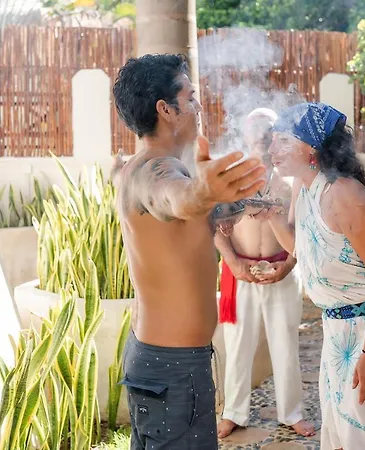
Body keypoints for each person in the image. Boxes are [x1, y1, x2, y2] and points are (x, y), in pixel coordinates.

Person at [111, 53, 267, 450]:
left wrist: (247, 198)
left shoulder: (141, 166)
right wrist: (202, 192)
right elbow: (176, 199)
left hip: (164, 362)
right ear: (166, 109)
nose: (198, 107)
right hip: (173, 368)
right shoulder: (154, 172)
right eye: (191, 97)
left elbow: (194, 212)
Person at [258, 102, 365, 450]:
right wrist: (271, 216)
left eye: (283, 140)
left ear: (311, 147)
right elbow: (301, 245)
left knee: (362, 441)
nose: (272, 150)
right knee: (339, 440)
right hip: (337, 331)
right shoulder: (304, 188)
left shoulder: (346, 195)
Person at [215, 108, 315, 439]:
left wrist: (288, 265)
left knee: (285, 345)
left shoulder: (291, 180)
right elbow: (212, 225)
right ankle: (233, 413)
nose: (262, 136)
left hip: (281, 271)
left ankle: (292, 413)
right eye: (256, 130)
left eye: (269, 130)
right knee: (237, 347)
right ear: (245, 135)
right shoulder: (231, 180)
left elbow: (303, 230)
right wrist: (233, 262)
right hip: (240, 273)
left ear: (279, 136)